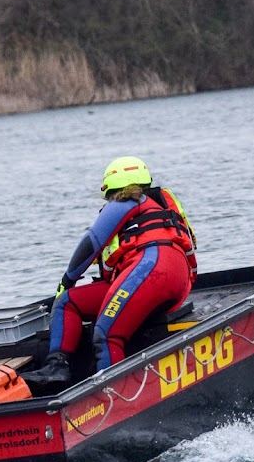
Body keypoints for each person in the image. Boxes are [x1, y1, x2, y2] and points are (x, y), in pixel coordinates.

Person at [24, 157, 197, 387]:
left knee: (106, 334)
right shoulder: (163, 204)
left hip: (151, 270)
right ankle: (56, 366)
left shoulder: (126, 202)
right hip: (174, 279)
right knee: (69, 303)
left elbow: (91, 242)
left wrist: (68, 280)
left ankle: (114, 399)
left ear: (113, 189)